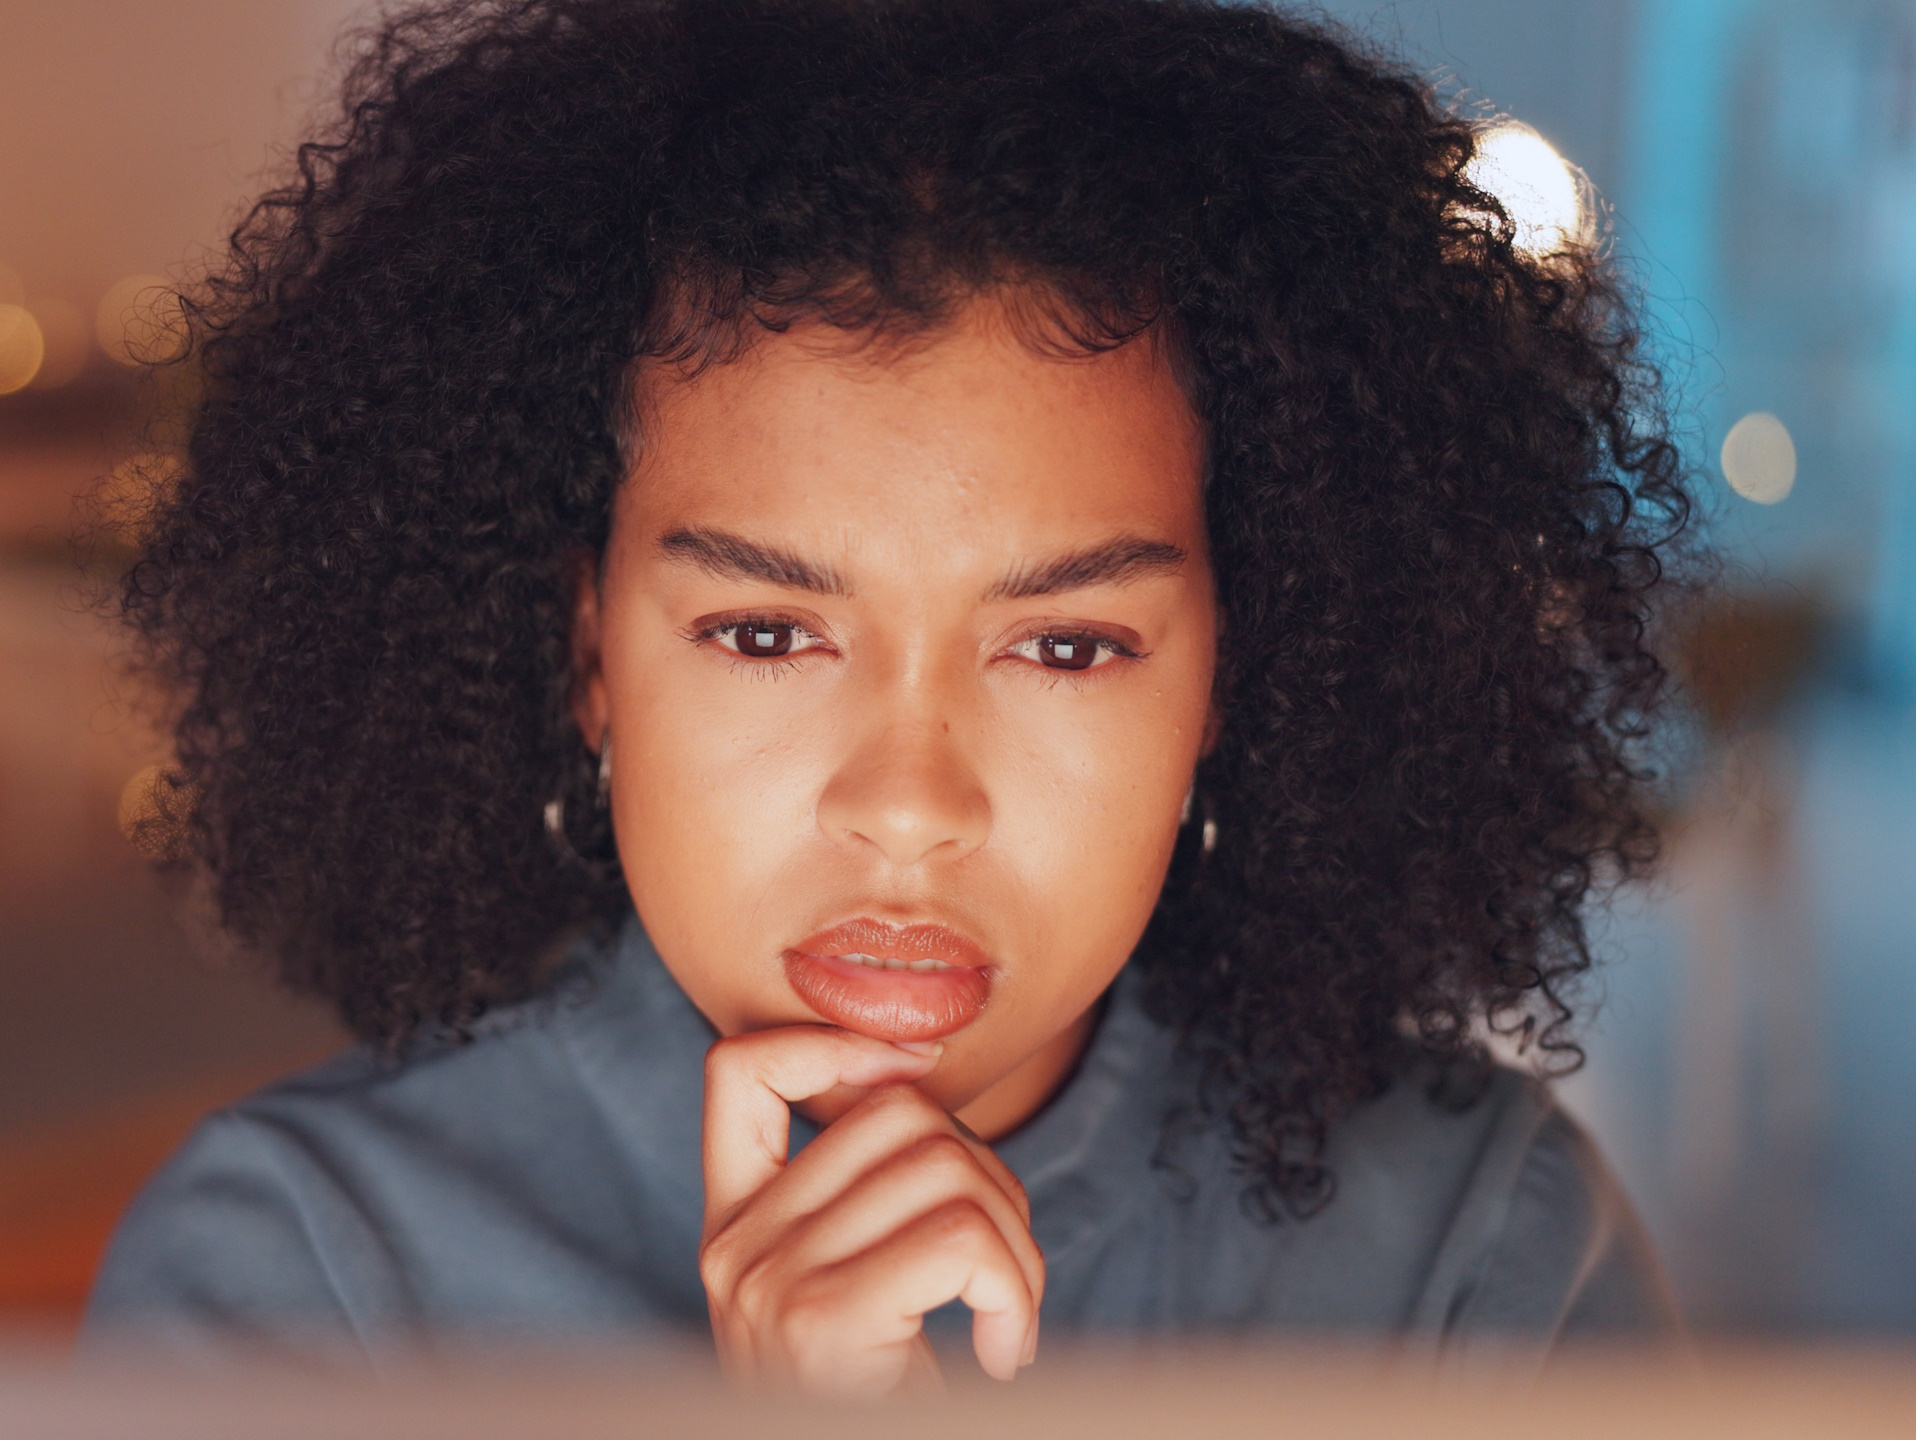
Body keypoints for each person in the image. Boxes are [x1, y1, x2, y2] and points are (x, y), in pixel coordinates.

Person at [88, 0, 1694, 1393]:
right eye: (767, 633)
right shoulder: (300, 1279)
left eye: (1066, 647)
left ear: (1231, 679)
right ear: (588, 657)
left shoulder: (1474, 1252)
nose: (911, 803)